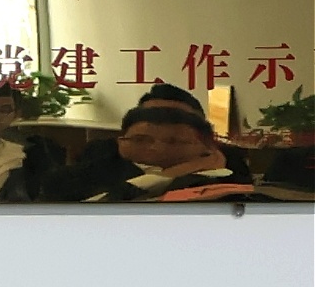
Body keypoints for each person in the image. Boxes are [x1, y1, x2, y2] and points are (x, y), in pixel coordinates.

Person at [90, 86, 256, 202]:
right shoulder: (101, 156)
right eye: (151, 115)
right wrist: (171, 175)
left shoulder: (227, 162)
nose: (156, 147)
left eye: (176, 117)